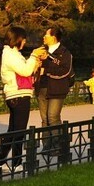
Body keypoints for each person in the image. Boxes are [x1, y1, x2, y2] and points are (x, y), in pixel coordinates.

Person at [0, 27, 40, 172]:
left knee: (13, 130)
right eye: (24, 38)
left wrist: (34, 62)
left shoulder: (12, 54)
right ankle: (16, 163)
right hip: (18, 95)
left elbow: (25, 70)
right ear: (17, 39)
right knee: (19, 131)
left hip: (17, 94)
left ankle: (0, 160)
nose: (25, 41)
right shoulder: (10, 55)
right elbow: (25, 71)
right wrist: (34, 57)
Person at [34, 25, 74, 159]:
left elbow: (65, 70)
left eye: (47, 35)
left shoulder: (64, 52)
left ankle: (58, 145)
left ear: (54, 37)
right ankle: (46, 145)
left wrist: (48, 69)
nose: (44, 37)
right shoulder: (41, 50)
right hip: (42, 87)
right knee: (44, 119)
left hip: (57, 88)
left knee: (52, 117)